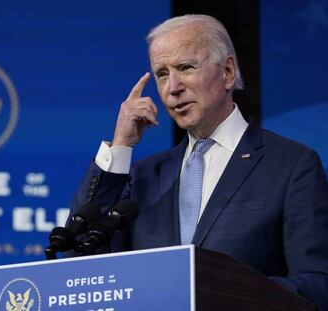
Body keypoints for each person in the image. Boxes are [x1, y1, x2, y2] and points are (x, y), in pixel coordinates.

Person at [69, 15, 328, 310]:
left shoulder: (292, 166)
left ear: (228, 72)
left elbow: (316, 286)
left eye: (185, 68)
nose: (172, 87)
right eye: (162, 74)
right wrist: (119, 147)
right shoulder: (143, 176)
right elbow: (82, 259)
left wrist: (215, 291)